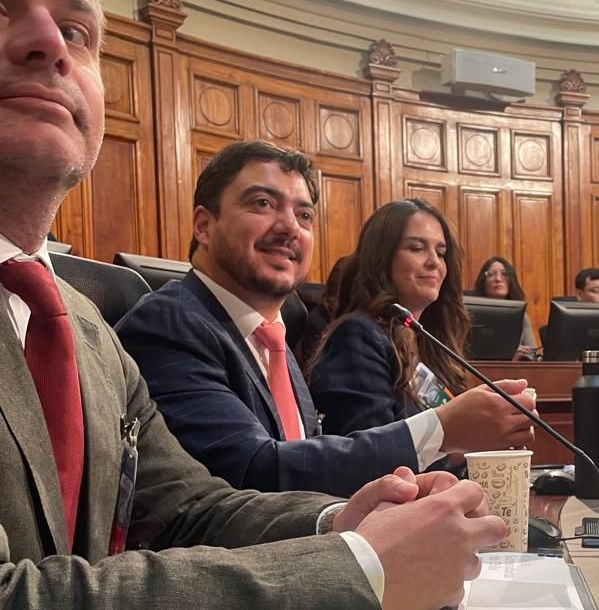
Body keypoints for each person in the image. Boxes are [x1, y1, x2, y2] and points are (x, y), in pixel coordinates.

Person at [0, 0, 505, 610]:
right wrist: (359, 567)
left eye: (78, 31)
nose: (49, 43)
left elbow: (187, 510)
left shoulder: (84, 328)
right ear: (203, 224)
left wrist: (340, 520)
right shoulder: (162, 324)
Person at [116, 141, 534, 496]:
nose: (289, 227)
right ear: (204, 226)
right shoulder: (169, 324)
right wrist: (442, 429)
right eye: (263, 203)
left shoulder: (273, 338)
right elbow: (252, 474)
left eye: (304, 215)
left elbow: (309, 466)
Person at [309, 199, 535, 446]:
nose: (434, 262)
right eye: (417, 248)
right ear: (381, 257)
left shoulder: (429, 342)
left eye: (441, 253)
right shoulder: (358, 335)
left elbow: (444, 448)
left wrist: (488, 439)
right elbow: (370, 454)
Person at [472, 254, 536, 357]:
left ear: (511, 281)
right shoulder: (471, 313)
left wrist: (520, 356)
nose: (498, 279)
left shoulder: (521, 315)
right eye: (491, 274)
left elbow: (533, 355)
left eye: (504, 274)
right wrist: (508, 353)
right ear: (483, 282)